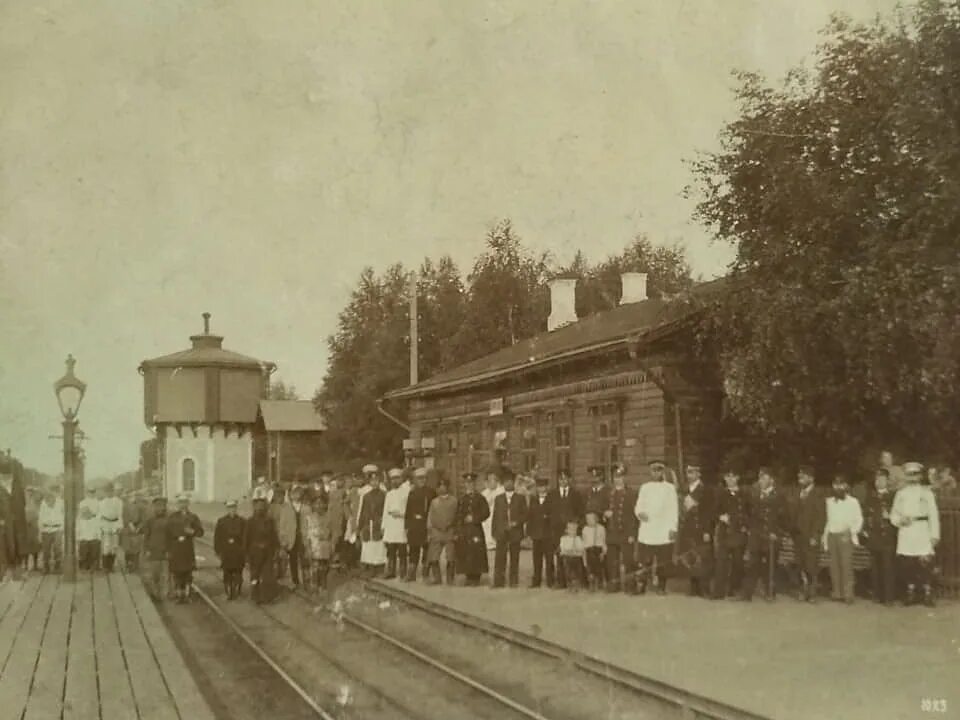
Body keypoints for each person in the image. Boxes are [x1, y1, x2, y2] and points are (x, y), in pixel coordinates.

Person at [891, 461, 940, 607]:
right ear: (905, 476)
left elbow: (933, 514)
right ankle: (910, 592)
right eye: (909, 475)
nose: (912, 478)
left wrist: (935, 535)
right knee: (907, 563)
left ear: (920, 476)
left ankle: (927, 593)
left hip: (922, 529)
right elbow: (894, 514)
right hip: (907, 531)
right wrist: (900, 520)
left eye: (915, 475)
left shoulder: (927, 493)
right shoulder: (900, 494)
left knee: (925, 563)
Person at [742, 468, 788, 601]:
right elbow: (746, 512)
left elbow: (784, 517)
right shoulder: (754, 494)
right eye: (760, 478)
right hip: (756, 535)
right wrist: (749, 527)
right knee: (752, 564)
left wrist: (777, 532)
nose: (761, 480)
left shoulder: (779, 495)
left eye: (764, 478)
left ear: (771, 480)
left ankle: (770, 592)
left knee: (770, 565)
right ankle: (747, 593)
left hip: (771, 536)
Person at [635, 459, 679, 595]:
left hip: (663, 529)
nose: (656, 473)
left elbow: (674, 509)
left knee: (663, 561)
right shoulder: (645, 487)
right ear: (650, 471)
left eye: (659, 470)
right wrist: (639, 513)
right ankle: (642, 585)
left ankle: (661, 586)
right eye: (653, 470)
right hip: (648, 529)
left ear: (662, 471)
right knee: (645, 560)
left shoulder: (669, 488)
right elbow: (638, 505)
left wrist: (673, 528)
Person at [821, 475, 863, 604]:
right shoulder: (829, 502)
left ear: (847, 486)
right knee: (834, 566)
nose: (838, 487)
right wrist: (825, 537)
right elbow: (827, 520)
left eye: (841, 484)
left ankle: (848, 594)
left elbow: (859, 519)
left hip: (846, 535)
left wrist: (851, 532)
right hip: (832, 535)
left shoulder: (853, 502)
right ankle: (837, 592)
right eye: (836, 484)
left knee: (846, 565)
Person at [677, 464, 715, 597]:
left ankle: (704, 588)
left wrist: (707, 531)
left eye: (693, 472)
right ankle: (694, 588)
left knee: (704, 558)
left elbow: (709, 512)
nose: (690, 475)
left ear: (699, 474)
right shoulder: (684, 490)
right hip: (688, 528)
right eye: (688, 472)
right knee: (691, 558)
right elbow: (681, 510)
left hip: (701, 528)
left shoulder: (706, 490)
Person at [862, 468, 898, 605]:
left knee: (888, 567)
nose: (878, 482)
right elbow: (866, 514)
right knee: (875, 568)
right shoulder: (870, 496)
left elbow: (897, 515)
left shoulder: (893, 497)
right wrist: (865, 529)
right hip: (874, 536)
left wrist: (889, 518)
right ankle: (877, 595)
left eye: (882, 479)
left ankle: (889, 597)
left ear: (887, 481)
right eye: (877, 479)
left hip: (887, 536)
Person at [791, 465, 826, 602]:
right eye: (799, 476)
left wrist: (816, 535)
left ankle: (812, 593)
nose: (801, 478)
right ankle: (802, 590)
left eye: (804, 476)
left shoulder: (818, 494)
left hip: (811, 536)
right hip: (798, 536)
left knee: (811, 565)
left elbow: (821, 517)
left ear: (811, 478)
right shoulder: (797, 493)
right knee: (800, 563)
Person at [712, 469, 749, 600]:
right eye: (728, 476)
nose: (730, 479)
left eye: (733, 476)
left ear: (737, 478)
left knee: (738, 563)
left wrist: (745, 525)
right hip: (725, 533)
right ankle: (718, 592)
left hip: (739, 533)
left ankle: (733, 589)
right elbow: (714, 512)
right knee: (721, 562)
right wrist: (720, 517)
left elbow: (750, 512)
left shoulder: (744, 494)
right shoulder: (720, 494)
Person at [603, 465, 639, 593]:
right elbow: (603, 510)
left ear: (625, 478)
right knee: (612, 561)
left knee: (628, 560)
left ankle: (630, 586)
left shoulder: (631, 494)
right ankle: (614, 585)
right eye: (616, 477)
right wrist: (605, 514)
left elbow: (635, 516)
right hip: (612, 532)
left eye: (620, 477)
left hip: (626, 532)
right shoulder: (609, 493)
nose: (618, 479)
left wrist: (632, 534)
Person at [491, 470, 527, 588]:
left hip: (515, 532)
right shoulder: (499, 498)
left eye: (510, 482)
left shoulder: (520, 498)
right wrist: (494, 531)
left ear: (514, 483)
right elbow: (495, 516)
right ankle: (498, 581)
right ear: (503, 484)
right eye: (506, 482)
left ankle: (513, 581)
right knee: (500, 557)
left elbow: (525, 514)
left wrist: (517, 522)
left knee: (514, 557)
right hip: (501, 532)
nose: (508, 484)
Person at [165, 495, 204, 603]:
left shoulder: (193, 517)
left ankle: (187, 594)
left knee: (187, 571)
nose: (183, 504)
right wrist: (168, 550)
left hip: (187, 547)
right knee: (176, 572)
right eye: (181, 502)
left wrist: (193, 532)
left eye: (185, 502)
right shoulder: (172, 517)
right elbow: (167, 534)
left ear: (188, 503)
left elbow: (201, 532)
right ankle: (178, 595)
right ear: (178, 504)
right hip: (175, 547)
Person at [454, 472, 491, 586]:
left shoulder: (480, 498)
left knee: (476, 552)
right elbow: (458, 515)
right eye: (467, 483)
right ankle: (468, 576)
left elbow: (486, 513)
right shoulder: (462, 499)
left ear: (474, 484)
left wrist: (474, 518)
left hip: (475, 529)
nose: (469, 485)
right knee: (466, 551)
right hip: (465, 530)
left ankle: (476, 577)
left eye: (471, 483)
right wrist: (457, 530)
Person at [549, 470, 584, 588]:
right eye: (560, 479)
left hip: (571, 529)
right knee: (559, 554)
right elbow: (549, 512)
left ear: (569, 480)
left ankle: (573, 581)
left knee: (572, 555)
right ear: (557, 480)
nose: (563, 481)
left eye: (565, 479)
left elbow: (580, 512)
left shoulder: (575, 494)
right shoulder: (552, 494)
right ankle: (560, 581)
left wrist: (574, 524)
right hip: (556, 529)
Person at [246, 496, 281, 604]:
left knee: (267, 575)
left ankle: (267, 596)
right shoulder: (250, 521)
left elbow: (274, 536)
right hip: (255, 552)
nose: (260, 508)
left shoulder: (269, 521)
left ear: (265, 508)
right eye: (258, 506)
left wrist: (276, 550)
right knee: (255, 576)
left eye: (262, 506)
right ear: (254, 508)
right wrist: (247, 555)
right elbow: (246, 539)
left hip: (268, 552)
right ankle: (255, 595)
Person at [405, 467, 436, 581]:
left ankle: (425, 573)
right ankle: (411, 574)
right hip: (414, 526)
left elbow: (434, 508)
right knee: (413, 549)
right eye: (419, 478)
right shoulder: (412, 493)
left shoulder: (431, 492)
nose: (422, 480)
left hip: (426, 524)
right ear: (415, 480)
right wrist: (407, 526)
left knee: (427, 549)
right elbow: (408, 511)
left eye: (423, 478)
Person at [426, 478, 458, 585]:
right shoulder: (434, 502)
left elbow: (457, 517)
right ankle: (437, 578)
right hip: (436, 532)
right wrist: (430, 532)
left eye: (444, 486)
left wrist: (455, 531)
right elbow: (430, 518)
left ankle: (450, 579)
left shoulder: (454, 501)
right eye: (440, 486)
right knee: (434, 557)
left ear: (448, 487)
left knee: (451, 557)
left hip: (450, 532)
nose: (442, 488)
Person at [357, 465, 387, 576]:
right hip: (367, 524)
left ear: (379, 481)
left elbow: (385, 510)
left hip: (378, 523)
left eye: (376, 481)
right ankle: (371, 568)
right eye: (372, 481)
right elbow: (362, 511)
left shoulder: (384, 495)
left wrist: (383, 524)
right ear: (369, 482)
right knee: (369, 546)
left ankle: (380, 568)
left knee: (379, 546)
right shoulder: (366, 496)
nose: (374, 483)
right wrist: (360, 526)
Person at [526, 476, 556, 588]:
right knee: (536, 559)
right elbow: (529, 516)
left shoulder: (551, 499)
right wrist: (529, 532)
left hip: (547, 534)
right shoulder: (533, 500)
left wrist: (548, 517)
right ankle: (536, 581)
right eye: (539, 487)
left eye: (543, 487)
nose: (541, 489)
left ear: (547, 487)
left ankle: (550, 580)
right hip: (536, 535)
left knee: (549, 559)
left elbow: (554, 515)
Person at [214, 500, 247, 600]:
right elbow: (217, 537)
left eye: (233, 507)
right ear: (227, 509)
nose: (232, 510)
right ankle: (228, 590)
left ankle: (237, 589)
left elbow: (245, 537)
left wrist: (244, 550)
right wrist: (218, 550)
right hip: (226, 551)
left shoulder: (242, 521)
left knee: (238, 570)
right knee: (227, 571)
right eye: (230, 508)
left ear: (236, 508)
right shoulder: (221, 521)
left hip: (238, 551)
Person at [382, 469, 409, 580]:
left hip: (401, 524)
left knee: (402, 550)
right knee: (391, 550)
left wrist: (402, 514)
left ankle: (403, 572)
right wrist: (383, 526)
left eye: (397, 478)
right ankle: (391, 571)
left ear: (401, 479)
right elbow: (385, 511)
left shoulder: (406, 492)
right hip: (391, 526)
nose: (395, 481)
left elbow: (409, 509)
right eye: (393, 479)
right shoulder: (389, 494)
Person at [141, 497, 170, 600]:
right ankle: (155, 593)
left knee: (166, 574)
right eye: (158, 506)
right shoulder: (150, 521)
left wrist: (170, 550)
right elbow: (146, 536)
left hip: (166, 550)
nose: (160, 508)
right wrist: (147, 550)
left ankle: (165, 594)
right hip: (153, 551)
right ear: (154, 507)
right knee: (155, 574)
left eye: (162, 506)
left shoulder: (169, 520)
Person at [277, 486, 307, 587]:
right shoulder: (286, 509)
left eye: (299, 493)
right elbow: (282, 526)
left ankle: (306, 581)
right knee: (293, 560)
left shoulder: (306, 508)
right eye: (294, 494)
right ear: (291, 495)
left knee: (304, 559)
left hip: (303, 537)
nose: (296, 496)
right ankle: (295, 581)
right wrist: (283, 541)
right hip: (291, 538)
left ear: (302, 495)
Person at [303, 494, 333, 593]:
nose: (319, 505)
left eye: (321, 503)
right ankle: (314, 585)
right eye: (317, 503)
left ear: (325, 505)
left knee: (324, 567)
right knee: (314, 567)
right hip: (314, 546)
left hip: (325, 546)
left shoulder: (329, 517)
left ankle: (323, 585)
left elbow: (331, 532)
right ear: (313, 505)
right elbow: (306, 534)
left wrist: (331, 544)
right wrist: (307, 547)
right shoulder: (309, 518)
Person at [98, 484, 124, 573]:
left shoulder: (118, 501)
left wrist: (120, 526)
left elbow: (120, 514)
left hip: (115, 523)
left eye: (111, 491)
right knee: (106, 545)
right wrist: (100, 526)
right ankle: (105, 566)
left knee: (114, 546)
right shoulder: (101, 502)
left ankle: (111, 565)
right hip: (105, 523)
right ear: (105, 492)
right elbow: (100, 516)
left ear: (113, 491)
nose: (109, 493)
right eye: (107, 491)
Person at [38, 488, 64, 574]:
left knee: (57, 548)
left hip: (57, 528)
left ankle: (58, 566)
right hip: (46, 529)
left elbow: (64, 515)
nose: (48, 501)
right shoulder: (43, 504)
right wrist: (40, 530)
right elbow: (40, 518)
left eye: (50, 498)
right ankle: (46, 567)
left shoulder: (60, 503)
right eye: (46, 498)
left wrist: (62, 528)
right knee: (46, 549)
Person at [121, 493, 148, 573]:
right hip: (128, 529)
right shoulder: (125, 507)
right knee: (128, 548)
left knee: (136, 548)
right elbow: (124, 517)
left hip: (137, 529)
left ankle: (135, 566)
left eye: (134, 496)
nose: (133, 498)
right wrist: (129, 524)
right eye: (130, 496)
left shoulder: (141, 507)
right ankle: (128, 564)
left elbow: (143, 519)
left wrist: (139, 527)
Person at [77, 487, 101, 572]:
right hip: (84, 523)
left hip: (94, 523)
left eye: (93, 492)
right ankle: (84, 564)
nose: (91, 494)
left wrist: (94, 517)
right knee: (84, 545)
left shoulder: (98, 502)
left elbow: (99, 514)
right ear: (86, 493)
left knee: (94, 545)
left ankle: (93, 564)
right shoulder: (82, 502)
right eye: (90, 492)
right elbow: (82, 513)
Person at [581, 512, 606, 591]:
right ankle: (591, 583)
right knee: (590, 568)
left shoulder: (601, 528)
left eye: (591, 519)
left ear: (596, 519)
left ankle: (599, 582)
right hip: (589, 550)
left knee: (598, 567)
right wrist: (583, 553)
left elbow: (603, 541)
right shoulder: (585, 529)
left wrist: (603, 552)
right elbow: (584, 542)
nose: (589, 521)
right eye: (587, 519)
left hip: (598, 549)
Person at [558, 521, 585, 592]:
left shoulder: (578, 539)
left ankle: (577, 584)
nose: (573, 531)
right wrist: (569, 551)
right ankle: (569, 583)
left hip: (576, 557)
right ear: (566, 530)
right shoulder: (564, 539)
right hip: (568, 557)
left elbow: (581, 548)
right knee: (568, 570)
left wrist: (577, 551)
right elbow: (563, 548)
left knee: (578, 570)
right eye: (571, 529)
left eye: (574, 530)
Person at [481, 472, 504, 551]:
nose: (490, 482)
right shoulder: (485, 492)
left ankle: (495, 543)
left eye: (492, 480)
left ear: (497, 481)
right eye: (489, 480)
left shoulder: (501, 491)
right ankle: (488, 543)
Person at [22, 488, 41, 572]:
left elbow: (38, 515)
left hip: (34, 527)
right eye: (28, 492)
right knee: (26, 547)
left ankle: (35, 565)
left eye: (31, 492)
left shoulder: (36, 503)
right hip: (25, 528)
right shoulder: (22, 503)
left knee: (35, 547)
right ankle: (25, 565)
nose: (29, 494)